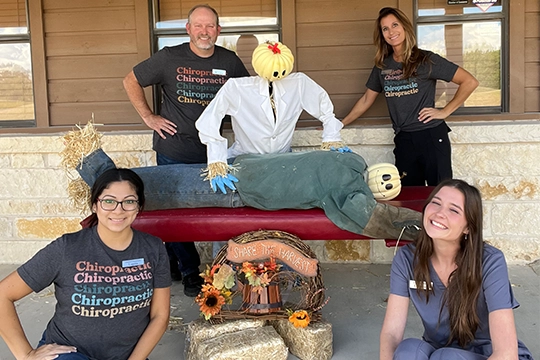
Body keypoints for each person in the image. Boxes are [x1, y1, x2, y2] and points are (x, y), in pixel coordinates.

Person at [123, 4, 250, 296]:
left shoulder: (229, 61)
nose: (204, 32)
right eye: (199, 26)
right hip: (173, 150)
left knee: (215, 213)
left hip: (214, 153)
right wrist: (148, 117)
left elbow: (248, 96)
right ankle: (191, 271)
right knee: (176, 215)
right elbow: (131, 80)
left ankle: (191, 264)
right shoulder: (170, 57)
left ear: (218, 30)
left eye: (210, 27)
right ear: (188, 29)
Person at [0, 168, 171, 360]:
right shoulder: (67, 248)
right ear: (94, 205)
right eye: (109, 201)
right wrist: (25, 355)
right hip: (71, 353)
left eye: (129, 201)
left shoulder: (153, 248)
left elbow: (160, 316)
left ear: (139, 206)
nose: (118, 209)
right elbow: (3, 294)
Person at [76, 148, 422, 243]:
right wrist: (423, 226)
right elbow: (373, 217)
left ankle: (96, 177)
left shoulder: (348, 159)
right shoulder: (351, 181)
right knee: (162, 186)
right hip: (236, 181)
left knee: (160, 183)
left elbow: (373, 215)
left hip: (238, 175)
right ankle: (97, 181)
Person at [379, 179, 534, 360]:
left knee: (447, 357)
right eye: (435, 203)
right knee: (409, 351)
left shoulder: (490, 261)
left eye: (453, 210)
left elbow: (506, 353)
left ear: (468, 227)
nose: (439, 213)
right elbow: (391, 333)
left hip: (490, 354)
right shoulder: (406, 259)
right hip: (437, 351)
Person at [342, 7, 479, 187]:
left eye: (395, 25)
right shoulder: (382, 66)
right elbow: (367, 99)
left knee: (439, 194)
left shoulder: (426, 60)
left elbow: (469, 81)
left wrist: (444, 111)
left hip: (431, 136)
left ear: (405, 27)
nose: (391, 32)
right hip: (404, 139)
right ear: (382, 35)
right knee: (409, 196)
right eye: (385, 29)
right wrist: (341, 123)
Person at [195, 41, 350, 194]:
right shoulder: (237, 88)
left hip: (283, 161)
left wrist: (332, 137)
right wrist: (217, 163)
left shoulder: (299, 83)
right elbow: (209, 120)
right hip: (246, 161)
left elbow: (325, 108)